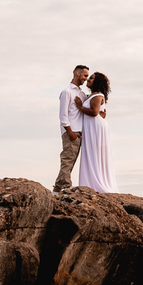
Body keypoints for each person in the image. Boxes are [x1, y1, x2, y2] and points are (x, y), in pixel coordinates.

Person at [75, 72, 118, 193]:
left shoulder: (98, 95)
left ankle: (98, 183)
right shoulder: (92, 95)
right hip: (91, 127)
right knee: (92, 154)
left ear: (97, 81)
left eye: (92, 78)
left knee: (95, 154)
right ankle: (91, 182)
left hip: (95, 128)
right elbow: (101, 113)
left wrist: (80, 107)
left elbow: (94, 112)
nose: (88, 79)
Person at [54, 64, 90, 192]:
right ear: (78, 74)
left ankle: (57, 188)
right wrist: (70, 132)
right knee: (67, 160)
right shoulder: (67, 92)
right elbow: (63, 115)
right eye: (85, 75)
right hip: (71, 131)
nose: (86, 78)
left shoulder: (81, 93)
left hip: (79, 132)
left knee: (70, 161)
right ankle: (65, 187)